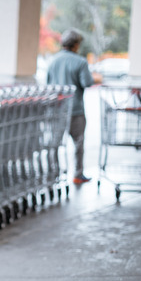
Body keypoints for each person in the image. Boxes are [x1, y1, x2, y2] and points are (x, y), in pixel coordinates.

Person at [46, 28, 96, 185]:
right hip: (75, 109)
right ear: (75, 45)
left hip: (57, 109)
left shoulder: (53, 61)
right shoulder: (80, 62)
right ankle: (78, 174)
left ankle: (53, 173)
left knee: (54, 144)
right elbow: (87, 83)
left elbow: (48, 84)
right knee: (78, 143)